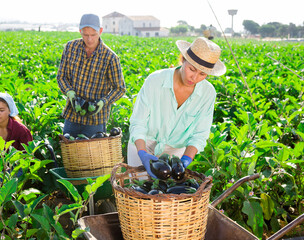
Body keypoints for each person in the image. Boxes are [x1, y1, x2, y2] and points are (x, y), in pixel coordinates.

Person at [127, 37, 226, 178]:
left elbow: (200, 134)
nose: (195, 78)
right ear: (183, 60)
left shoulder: (208, 94)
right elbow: (139, 122)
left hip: (175, 151)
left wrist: (186, 159)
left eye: (202, 74)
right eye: (192, 69)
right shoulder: (155, 81)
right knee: (138, 191)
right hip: (144, 143)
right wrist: (142, 153)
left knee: (166, 196)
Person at [56, 13, 126, 138]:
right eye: (85, 35)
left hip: (95, 121)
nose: (89, 39)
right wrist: (69, 92)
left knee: (92, 156)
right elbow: (61, 76)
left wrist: (103, 102)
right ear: (80, 31)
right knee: (69, 153)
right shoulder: (70, 48)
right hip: (72, 116)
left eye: (93, 35)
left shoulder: (110, 57)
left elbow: (120, 88)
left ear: (100, 31)